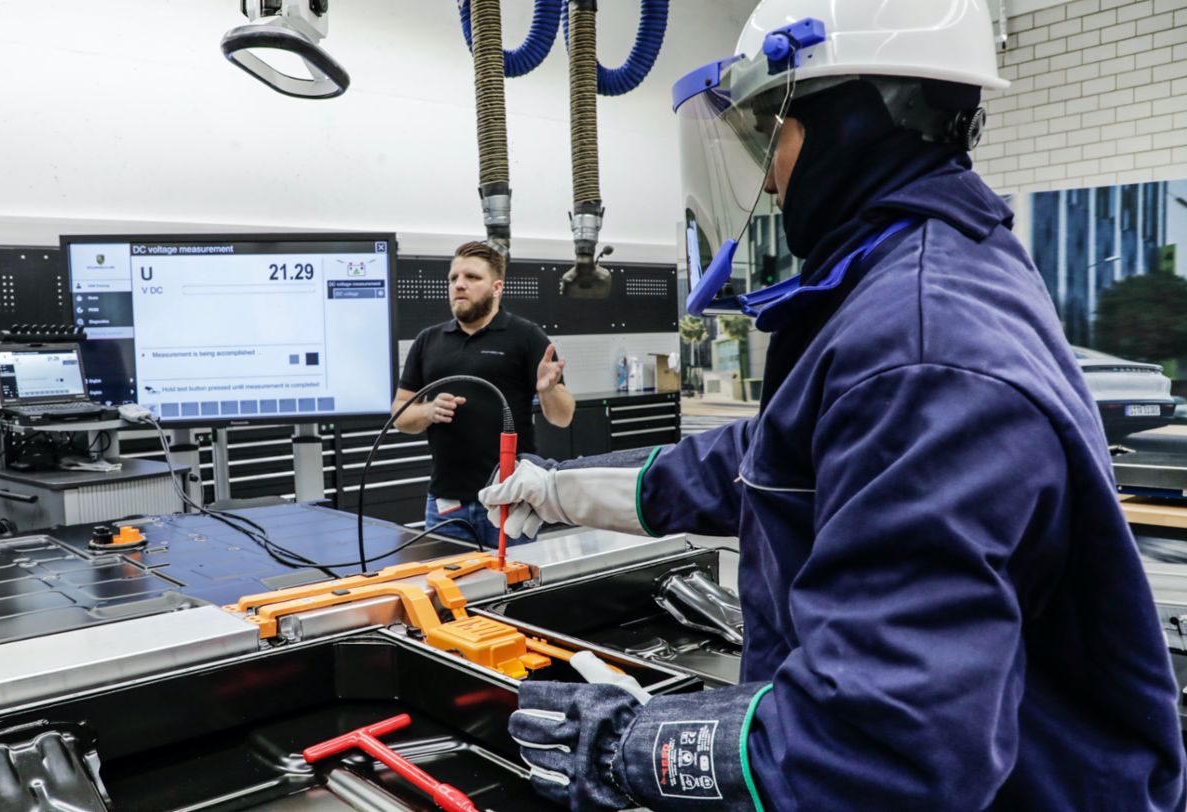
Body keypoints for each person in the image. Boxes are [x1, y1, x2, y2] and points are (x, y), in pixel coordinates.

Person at [480, 2, 1187, 810]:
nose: (770, 179)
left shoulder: (920, 350)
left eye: (767, 136)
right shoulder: (916, 279)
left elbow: (881, 751)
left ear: (852, 118)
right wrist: (565, 488)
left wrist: (622, 747)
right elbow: (772, 459)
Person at [394, 241, 574, 547]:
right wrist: (427, 411)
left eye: (472, 278)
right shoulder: (428, 341)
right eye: (453, 278)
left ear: (496, 287)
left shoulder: (526, 336)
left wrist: (548, 390)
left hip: (510, 500)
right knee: (447, 591)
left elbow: (563, 417)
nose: (459, 285)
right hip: (445, 505)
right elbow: (399, 414)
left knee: (515, 589)